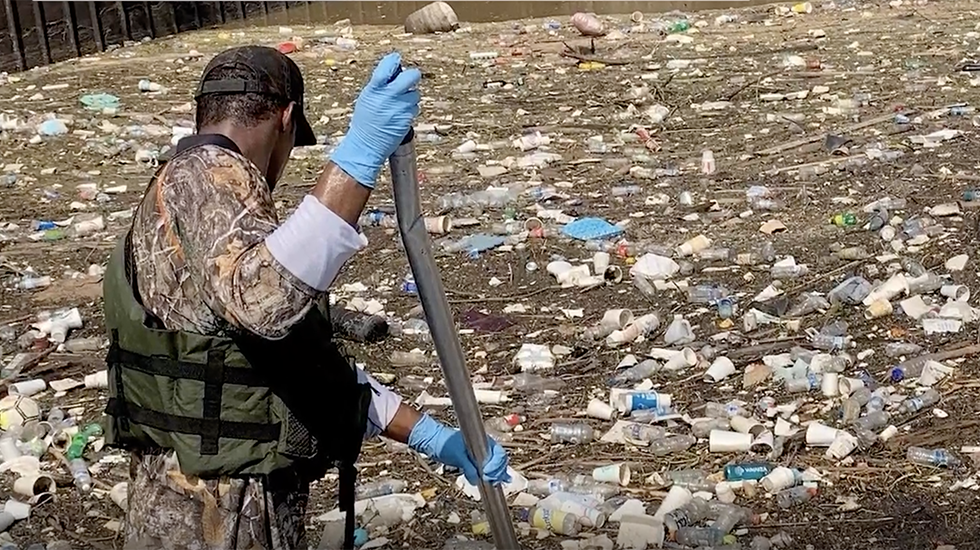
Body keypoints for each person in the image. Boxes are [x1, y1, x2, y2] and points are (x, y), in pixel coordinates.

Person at [101, 45, 510, 550]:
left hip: (192, 499)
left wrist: (430, 435)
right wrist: (360, 154)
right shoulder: (206, 172)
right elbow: (264, 301)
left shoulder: (187, 190)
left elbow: (294, 368)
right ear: (285, 118)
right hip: (217, 511)